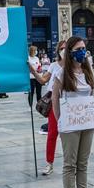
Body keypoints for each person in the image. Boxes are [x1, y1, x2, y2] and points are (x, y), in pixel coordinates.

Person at [51, 36, 94, 188]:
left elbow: (92, 94)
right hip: (69, 124)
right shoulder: (62, 73)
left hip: (87, 122)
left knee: (83, 163)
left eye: (84, 48)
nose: (82, 52)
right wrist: (59, 120)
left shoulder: (87, 71)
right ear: (69, 52)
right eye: (78, 48)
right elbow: (55, 98)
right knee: (70, 164)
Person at [36, 39, 65, 175]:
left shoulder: (75, 66)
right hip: (54, 103)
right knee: (52, 133)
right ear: (58, 51)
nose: (64, 50)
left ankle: (71, 163)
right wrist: (31, 69)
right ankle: (49, 163)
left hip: (69, 103)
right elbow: (43, 80)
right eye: (62, 48)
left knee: (69, 135)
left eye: (66, 48)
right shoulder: (53, 65)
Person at [27, 45, 44, 110]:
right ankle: (30, 106)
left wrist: (40, 68)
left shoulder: (37, 58)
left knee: (39, 92)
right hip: (31, 77)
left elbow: (39, 65)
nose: (36, 51)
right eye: (35, 50)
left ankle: (39, 106)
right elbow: (28, 67)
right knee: (31, 92)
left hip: (38, 77)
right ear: (32, 51)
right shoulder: (28, 58)